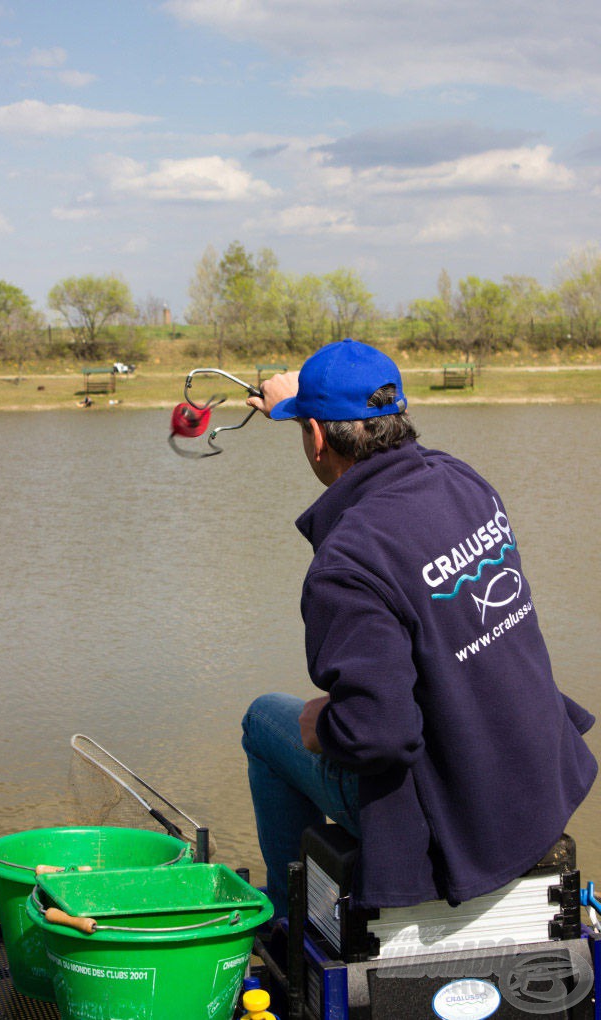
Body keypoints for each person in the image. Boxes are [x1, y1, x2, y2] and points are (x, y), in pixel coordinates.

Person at [240, 338, 595, 915]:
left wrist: (325, 726)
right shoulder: (462, 481)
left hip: (459, 810)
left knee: (265, 721)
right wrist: (300, 408)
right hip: (538, 777)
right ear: (396, 414)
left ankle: (288, 918)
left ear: (317, 438)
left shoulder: (348, 561)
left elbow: (379, 735)